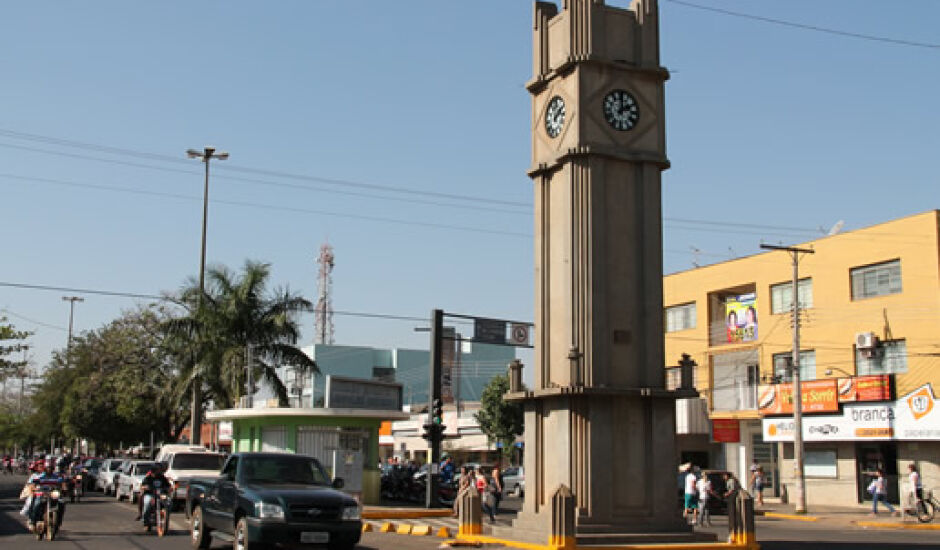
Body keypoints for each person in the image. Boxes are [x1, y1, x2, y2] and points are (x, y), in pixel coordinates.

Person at [26, 464, 65, 532]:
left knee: (61, 503)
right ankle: (33, 521)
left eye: (50, 468)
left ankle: (58, 522)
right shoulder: (41, 476)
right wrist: (34, 488)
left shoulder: (56, 477)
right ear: (45, 469)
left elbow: (62, 482)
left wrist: (64, 488)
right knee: (37, 504)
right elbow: (33, 483)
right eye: (47, 468)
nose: (49, 469)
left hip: (53, 494)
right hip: (43, 494)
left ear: (53, 469)